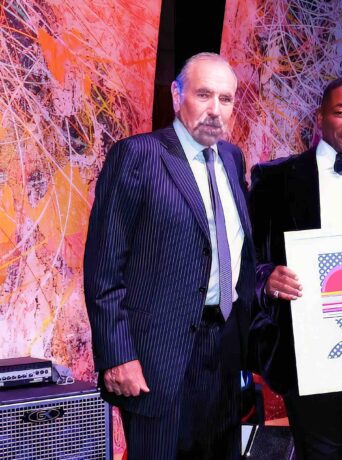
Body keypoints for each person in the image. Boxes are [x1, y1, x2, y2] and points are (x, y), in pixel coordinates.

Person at [84, 52, 255, 459]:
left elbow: (237, 254)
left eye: (226, 99)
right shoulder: (138, 155)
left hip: (224, 351)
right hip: (157, 359)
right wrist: (119, 356)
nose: (215, 109)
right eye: (204, 94)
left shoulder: (233, 159)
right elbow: (104, 269)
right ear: (177, 96)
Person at [248, 76, 342, 459]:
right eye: (341, 112)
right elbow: (246, 260)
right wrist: (267, 279)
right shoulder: (275, 178)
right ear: (320, 117)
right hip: (306, 352)